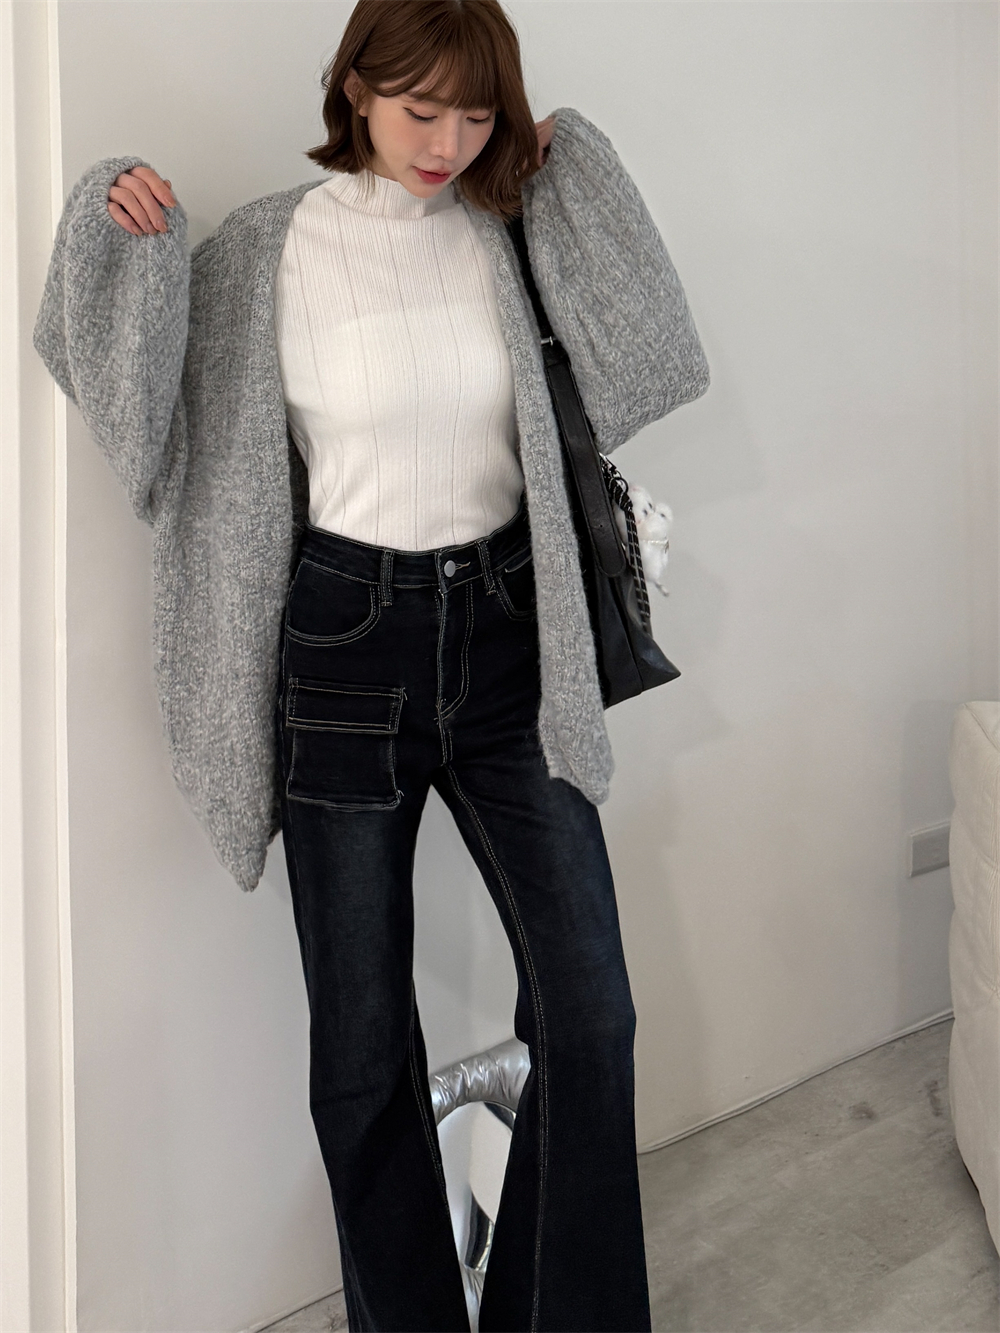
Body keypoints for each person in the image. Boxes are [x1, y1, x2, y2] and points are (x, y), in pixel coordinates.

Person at [34, 1, 709, 1328]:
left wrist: (579, 171)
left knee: (590, 1012)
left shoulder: (509, 231)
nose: (448, 143)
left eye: (477, 114)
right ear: (354, 88)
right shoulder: (262, 254)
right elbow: (134, 417)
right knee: (360, 1048)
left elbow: (650, 364)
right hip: (344, 650)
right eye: (420, 109)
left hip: (511, 640)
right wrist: (114, 226)